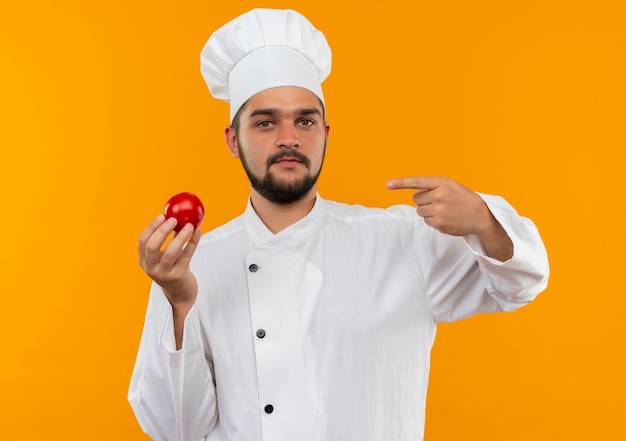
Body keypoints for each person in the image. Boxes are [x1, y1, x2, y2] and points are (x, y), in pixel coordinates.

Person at [128, 8, 549, 441]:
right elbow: (174, 430)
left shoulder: (402, 241)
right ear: (233, 141)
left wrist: (482, 218)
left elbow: (523, 282)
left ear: (326, 133)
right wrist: (178, 304)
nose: (288, 137)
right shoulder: (190, 265)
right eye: (265, 122)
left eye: (305, 121)